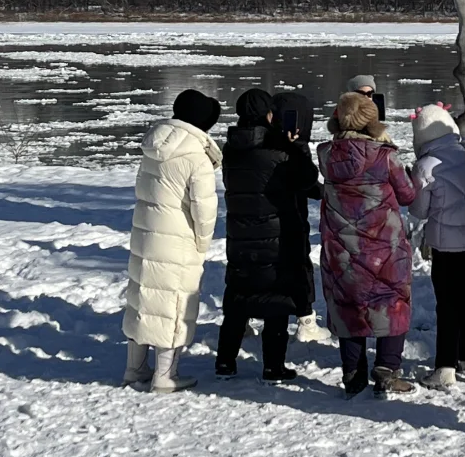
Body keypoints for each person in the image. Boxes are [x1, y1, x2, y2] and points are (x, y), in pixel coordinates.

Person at [122, 89, 222, 393]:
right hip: (178, 240)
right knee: (173, 305)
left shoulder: (153, 145)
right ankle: (165, 375)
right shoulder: (195, 156)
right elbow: (204, 210)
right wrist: (203, 244)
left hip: (146, 236)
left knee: (143, 301)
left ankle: (134, 369)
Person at [215, 89, 319, 383]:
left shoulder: (231, 150)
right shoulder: (278, 152)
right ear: (269, 115)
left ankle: (225, 362)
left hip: (240, 234)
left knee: (238, 297)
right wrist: (296, 148)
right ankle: (273, 367)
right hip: (275, 236)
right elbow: (307, 179)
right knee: (276, 300)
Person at [318, 91, 417, 397]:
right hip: (384, 249)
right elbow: (408, 196)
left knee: (346, 305)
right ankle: (387, 370)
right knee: (392, 303)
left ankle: (353, 374)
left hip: (341, 247)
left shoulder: (326, 155)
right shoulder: (385, 157)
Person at [409, 104, 465, 389]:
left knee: (448, 304)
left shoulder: (425, 166)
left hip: (445, 245)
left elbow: (419, 211)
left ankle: (445, 366)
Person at [270, 90, 330, 344]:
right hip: (291, 221)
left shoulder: (262, 143)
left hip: (262, 222)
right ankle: (305, 319)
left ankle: (251, 316)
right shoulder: (296, 149)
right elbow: (308, 182)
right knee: (298, 266)